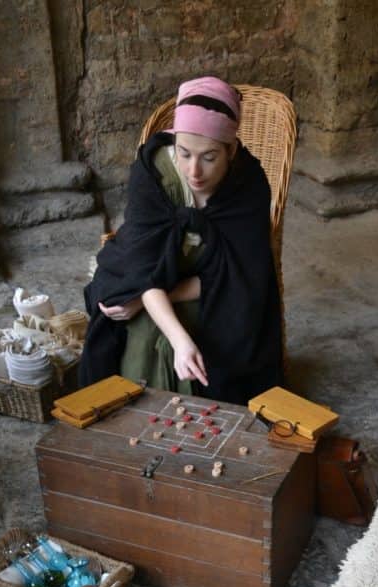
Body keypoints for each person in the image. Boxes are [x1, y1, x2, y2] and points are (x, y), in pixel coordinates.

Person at [79, 76, 284, 406]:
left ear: (231, 151)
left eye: (209, 157)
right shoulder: (153, 174)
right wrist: (169, 327)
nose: (194, 171)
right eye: (185, 153)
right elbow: (141, 264)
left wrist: (161, 301)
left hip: (212, 292)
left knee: (226, 343)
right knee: (132, 322)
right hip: (146, 281)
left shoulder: (249, 185)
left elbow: (238, 275)